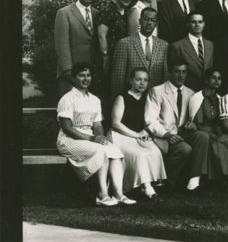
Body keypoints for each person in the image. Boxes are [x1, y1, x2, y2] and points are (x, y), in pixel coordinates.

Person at [56, 61, 130, 206]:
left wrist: (100, 137)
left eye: (88, 75)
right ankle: (102, 194)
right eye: (81, 75)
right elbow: (67, 128)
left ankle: (118, 194)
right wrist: (92, 138)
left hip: (89, 138)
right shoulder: (67, 99)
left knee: (114, 150)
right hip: (69, 140)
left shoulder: (95, 100)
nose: (85, 79)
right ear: (73, 78)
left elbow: (97, 124)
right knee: (101, 150)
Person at [149, 62, 215, 191]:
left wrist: (192, 124)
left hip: (182, 132)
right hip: (164, 134)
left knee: (202, 136)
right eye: (177, 71)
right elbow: (150, 120)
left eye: (184, 72)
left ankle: (193, 182)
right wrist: (166, 135)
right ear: (169, 73)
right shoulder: (157, 91)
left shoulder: (190, 93)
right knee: (185, 149)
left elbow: (192, 117)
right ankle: (164, 181)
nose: (181, 76)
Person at [108, 66, 166, 199]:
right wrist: (137, 135)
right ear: (131, 81)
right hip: (120, 136)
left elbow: (150, 119)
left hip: (140, 135)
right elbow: (116, 124)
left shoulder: (148, 98)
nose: (142, 83)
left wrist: (145, 132)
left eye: (145, 80)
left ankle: (150, 183)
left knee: (154, 151)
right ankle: (148, 188)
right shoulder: (122, 98)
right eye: (138, 79)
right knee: (139, 154)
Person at [185, 68, 228, 193]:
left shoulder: (220, 99)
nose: (216, 81)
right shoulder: (197, 98)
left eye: (219, 78)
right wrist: (214, 136)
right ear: (206, 80)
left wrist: (220, 134)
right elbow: (196, 122)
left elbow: (219, 122)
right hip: (200, 131)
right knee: (214, 144)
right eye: (213, 78)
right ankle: (208, 181)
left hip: (215, 131)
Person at [55, 0, 101, 96]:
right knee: (70, 107)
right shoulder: (65, 13)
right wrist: (68, 70)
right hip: (72, 71)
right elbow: (62, 44)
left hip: (91, 71)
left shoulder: (97, 14)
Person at [109, 7, 168, 97]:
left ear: (156, 23)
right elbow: (118, 77)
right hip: (131, 98)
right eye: (146, 19)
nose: (149, 23)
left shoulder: (163, 45)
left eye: (153, 20)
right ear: (140, 21)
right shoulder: (125, 43)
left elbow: (165, 76)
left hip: (155, 98)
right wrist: (119, 100)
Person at [97, 0, 137, 85]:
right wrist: (105, 58)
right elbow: (101, 35)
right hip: (108, 58)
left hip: (120, 57)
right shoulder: (108, 10)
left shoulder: (126, 12)